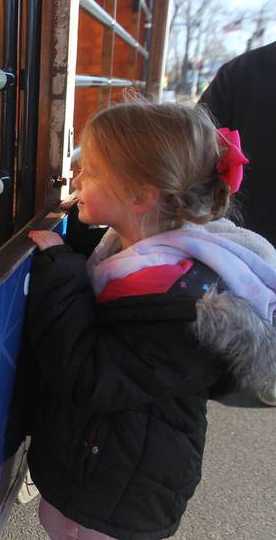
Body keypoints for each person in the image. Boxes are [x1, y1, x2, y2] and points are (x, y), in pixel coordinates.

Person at [24, 100, 276, 540]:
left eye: (93, 171)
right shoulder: (138, 248)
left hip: (118, 494)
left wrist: (61, 274)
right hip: (101, 463)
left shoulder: (181, 304)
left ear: (140, 197)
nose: (77, 179)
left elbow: (90, 376)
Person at [199, 40, 276, 245]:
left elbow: (188, 156)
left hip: (237, 252)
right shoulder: (240, 73)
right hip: (237, 245)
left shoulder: (241, 72)